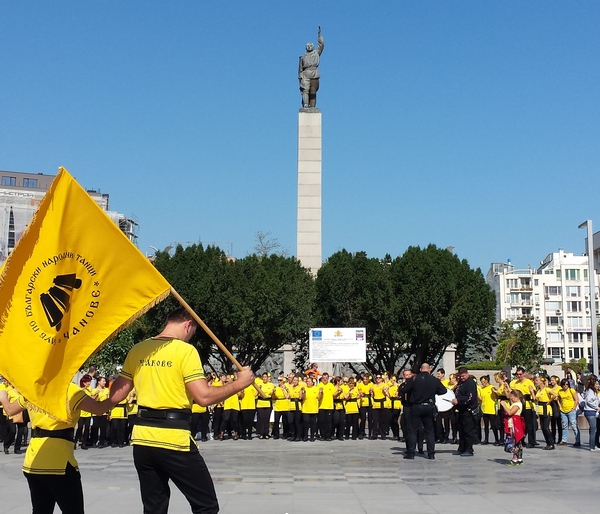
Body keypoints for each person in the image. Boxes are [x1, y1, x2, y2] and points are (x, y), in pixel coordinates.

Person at [107, 307, 255, 514]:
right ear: (188, 325)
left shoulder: (138, 349)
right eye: (192, 332)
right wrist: (240, 384)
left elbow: (116, 394)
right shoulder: (185, 351)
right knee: (206, 505)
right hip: (173, 439)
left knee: (154, 508)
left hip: (142, 439)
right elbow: (203, 397)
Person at [0, 378, 115, 513]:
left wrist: (3, 395)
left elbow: (9, 409)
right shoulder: (70, 390)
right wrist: (119, 393)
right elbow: (99, 409)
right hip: (59, 461)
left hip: (34, 460)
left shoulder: (33, 389)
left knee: (41, 510)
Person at [401, 363, 447, 460]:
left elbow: (404, 390)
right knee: (429, 431)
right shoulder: (434, 380)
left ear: (421, 370)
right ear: (429, 370)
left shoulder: (414, 379)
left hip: (416, 407)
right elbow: (443, 391)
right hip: (429, 407)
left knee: (412, 430)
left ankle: (411, 453)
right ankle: (431, 454)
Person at [452, 367, 479, 457]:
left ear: (467, 374)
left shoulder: (470, 383)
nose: (462, 378)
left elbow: (469, 397)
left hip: (468, 410)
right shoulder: (461, 383)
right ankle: (462, 447)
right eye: (460, 376)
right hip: (461, 410)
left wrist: (458, 401)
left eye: (463, 376)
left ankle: (469, 449)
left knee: (468, 431)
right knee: (462, 430)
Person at [507, 367, 537, 447]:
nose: (519, 376)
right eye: (517, 374)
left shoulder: (529, 382)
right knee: (520, 424)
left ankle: (531, 441)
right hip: (519, 405)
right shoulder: (515, 383)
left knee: (529, 425)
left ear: (524, 374)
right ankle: (521, 440)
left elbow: (533, 393)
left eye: (520, 374)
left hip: (527, 405)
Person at [298, 26, 324, 108]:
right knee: (305, 90)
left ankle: (312, 106)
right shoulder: (303, 57)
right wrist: (300, 77)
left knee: (313, 91)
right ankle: (305, 105)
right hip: (305, 74)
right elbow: (300, 69)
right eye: (307, 46)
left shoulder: (316, 53)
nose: (309, 47)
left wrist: (319, 35)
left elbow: (321, 45)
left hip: (314, 73)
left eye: (310, 46)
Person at [500, 389, 526, 466]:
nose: (510, 398)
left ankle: (515, 459)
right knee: (518, 443)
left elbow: (510, 412)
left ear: (517, 397)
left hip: (514, 425)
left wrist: (504, 405)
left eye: (512, 397)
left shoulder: (517, 405)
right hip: (513, 423)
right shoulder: (516, 403)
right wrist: (507, 389)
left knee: (514, 442)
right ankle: (519, 458)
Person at [556, 377, 580, 447]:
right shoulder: (560, 391)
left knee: (574, 425)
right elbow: (558, 399)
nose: (565, 386)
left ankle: (577, 440)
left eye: (567, 384)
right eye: (564, 384)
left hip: (571, 410)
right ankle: (564, 440)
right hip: (563, 410)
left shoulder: (571, 390)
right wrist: (559, 406)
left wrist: (574, 407)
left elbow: (576, 399)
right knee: (564, 426)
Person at [534, 376, 555, 450]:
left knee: (546, 427)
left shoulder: (547, 389)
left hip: (546, 408)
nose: (535, 382)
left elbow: (555, 395)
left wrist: (549, 401)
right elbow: (535, 399)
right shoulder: (539, 390)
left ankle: (551, 443)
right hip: (540, 409)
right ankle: (548, 443)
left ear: (541, 382)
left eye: (537, 380)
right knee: (543, 428)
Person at [582, 375, 600, 451]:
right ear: (593, 385)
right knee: (593, 429)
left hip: (590, 411)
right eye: (596, 384)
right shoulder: (590, 392)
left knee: (593, 429)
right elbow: (589, 401)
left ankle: (593, 445)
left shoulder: (591, 391)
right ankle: (592, 447)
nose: (598, 385)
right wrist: (596, 407)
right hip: (590, 412)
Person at [479, 375, 498, 445]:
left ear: (487, 381)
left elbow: (496, 397)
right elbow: (480, 399)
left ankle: (497, 439)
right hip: (484, 409)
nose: (482, 383)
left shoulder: (491, 387)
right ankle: (486, 439)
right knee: (485, 426)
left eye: (483, 381)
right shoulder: (482, 389)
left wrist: (494, 392)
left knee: (493, 425)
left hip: (491, 409)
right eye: (481, 382)